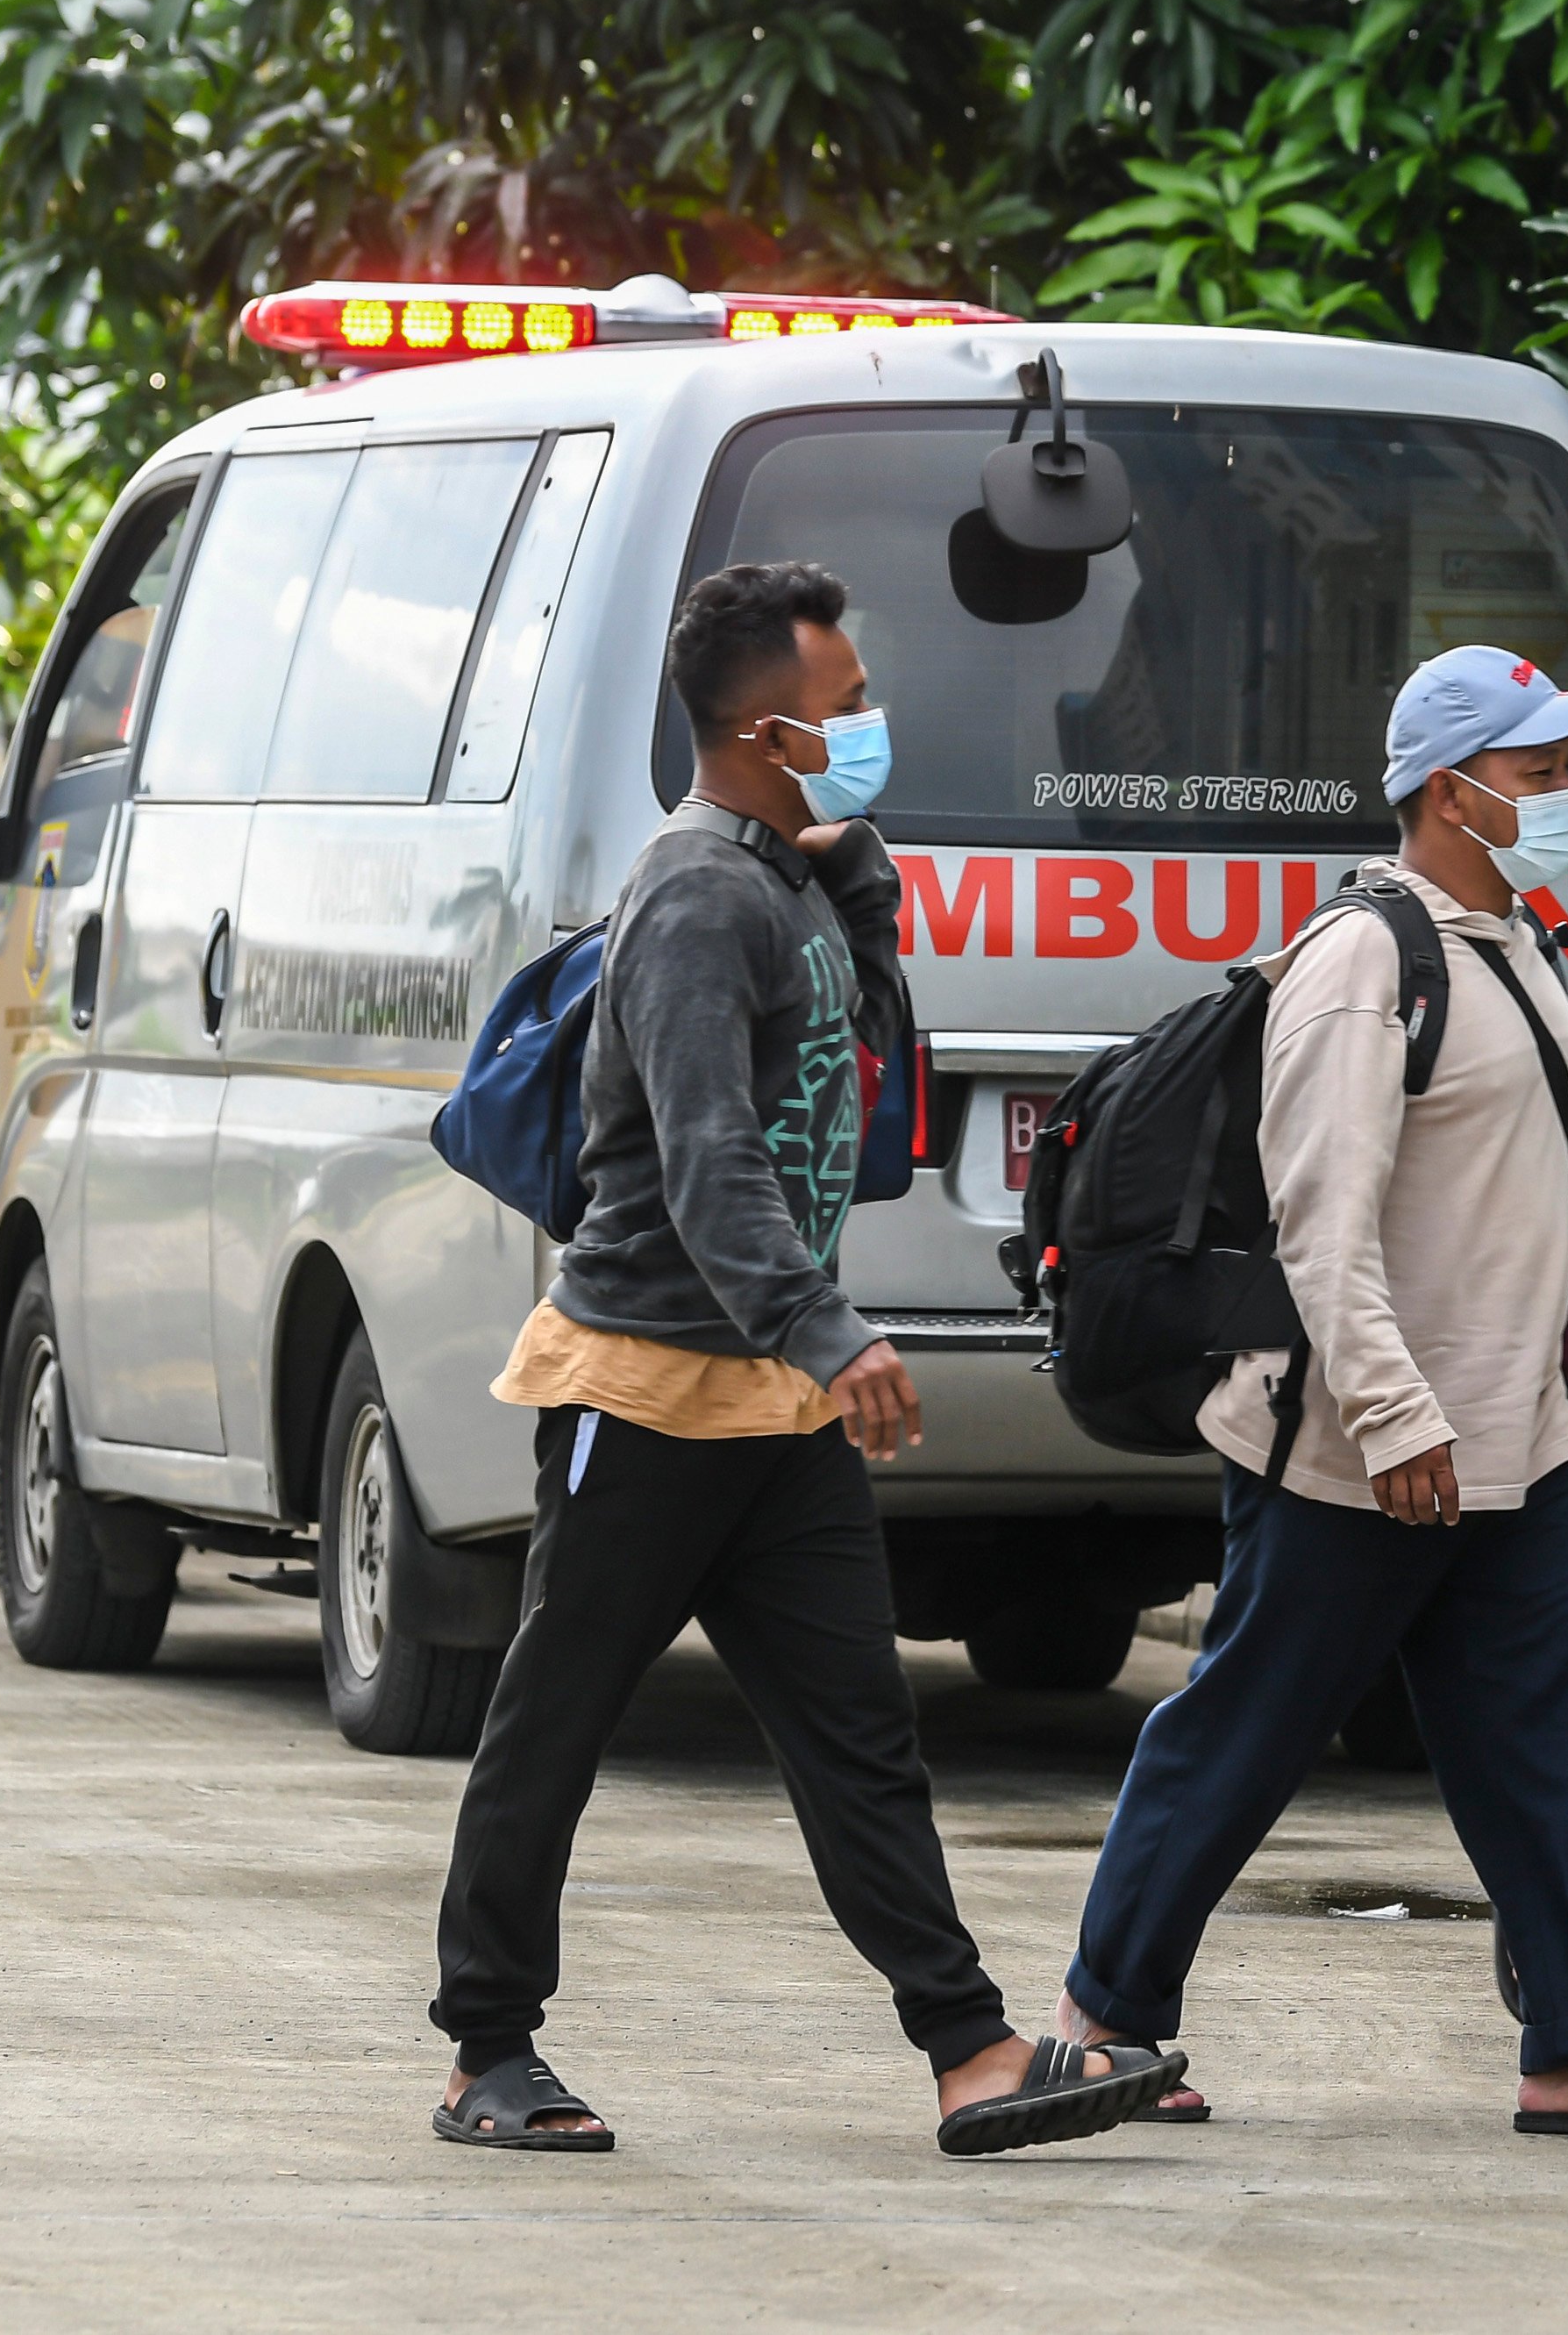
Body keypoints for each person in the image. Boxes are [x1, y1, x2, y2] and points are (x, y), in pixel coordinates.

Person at [426, 561, 1177, 2157]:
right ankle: (484, 2049)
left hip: (771, 1406)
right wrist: (831, 1328)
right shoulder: (697, 894)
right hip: (644, 1386)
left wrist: (861, 885)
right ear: (766, 728)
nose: (867, 729)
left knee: (858, 1738)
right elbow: (705, 1156)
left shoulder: (781, 880)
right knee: (553, 1725)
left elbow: (867, 1092)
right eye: (844, 710)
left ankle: (970, 2050)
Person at [1051, 645, 1568, 2141]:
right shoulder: (1366, 960)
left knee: (1552, 1746)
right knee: (1246, 1730)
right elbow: (1323, 1215)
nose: (1565, 796)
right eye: (1540, 772)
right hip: (1364, 1450)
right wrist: (1389, 1412)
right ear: (1453, 791)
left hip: (1516, 1439)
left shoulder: (1510, 943)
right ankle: (1104, 2017)